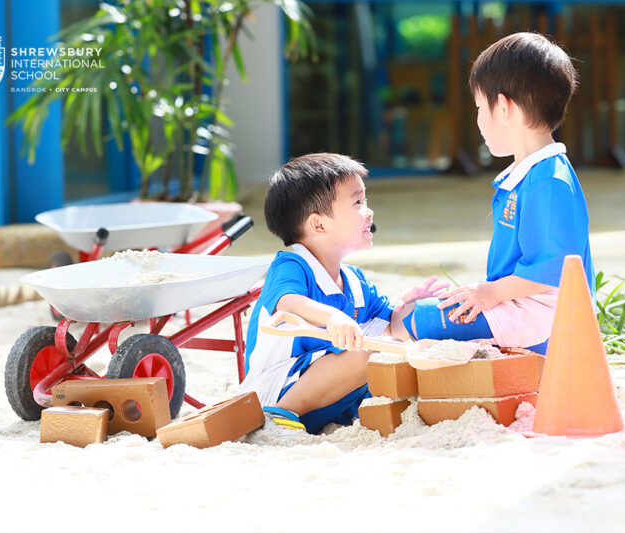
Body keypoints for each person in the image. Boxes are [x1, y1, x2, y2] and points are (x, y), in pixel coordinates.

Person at [392, 32, 595, 355]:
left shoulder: (549, 180)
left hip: (543, 319)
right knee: (418, 313)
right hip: (521, 307)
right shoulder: (530, 175)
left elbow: (554, 269)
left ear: (502, 107)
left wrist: (489, 292)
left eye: (478, 107)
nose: (477, 120)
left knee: (413, 319)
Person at [238, 153, 446, 436]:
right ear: (318, 225)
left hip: (331, 402)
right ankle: (278, 416)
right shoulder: (292, 266)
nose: (368, 211)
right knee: (365, 353)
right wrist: (333, 317)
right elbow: (288, 303)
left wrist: (405, 306)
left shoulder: (355, 282)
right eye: (358, 202)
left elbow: (390, 326)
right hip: (276, 390)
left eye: (366, 201)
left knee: (389, 341)